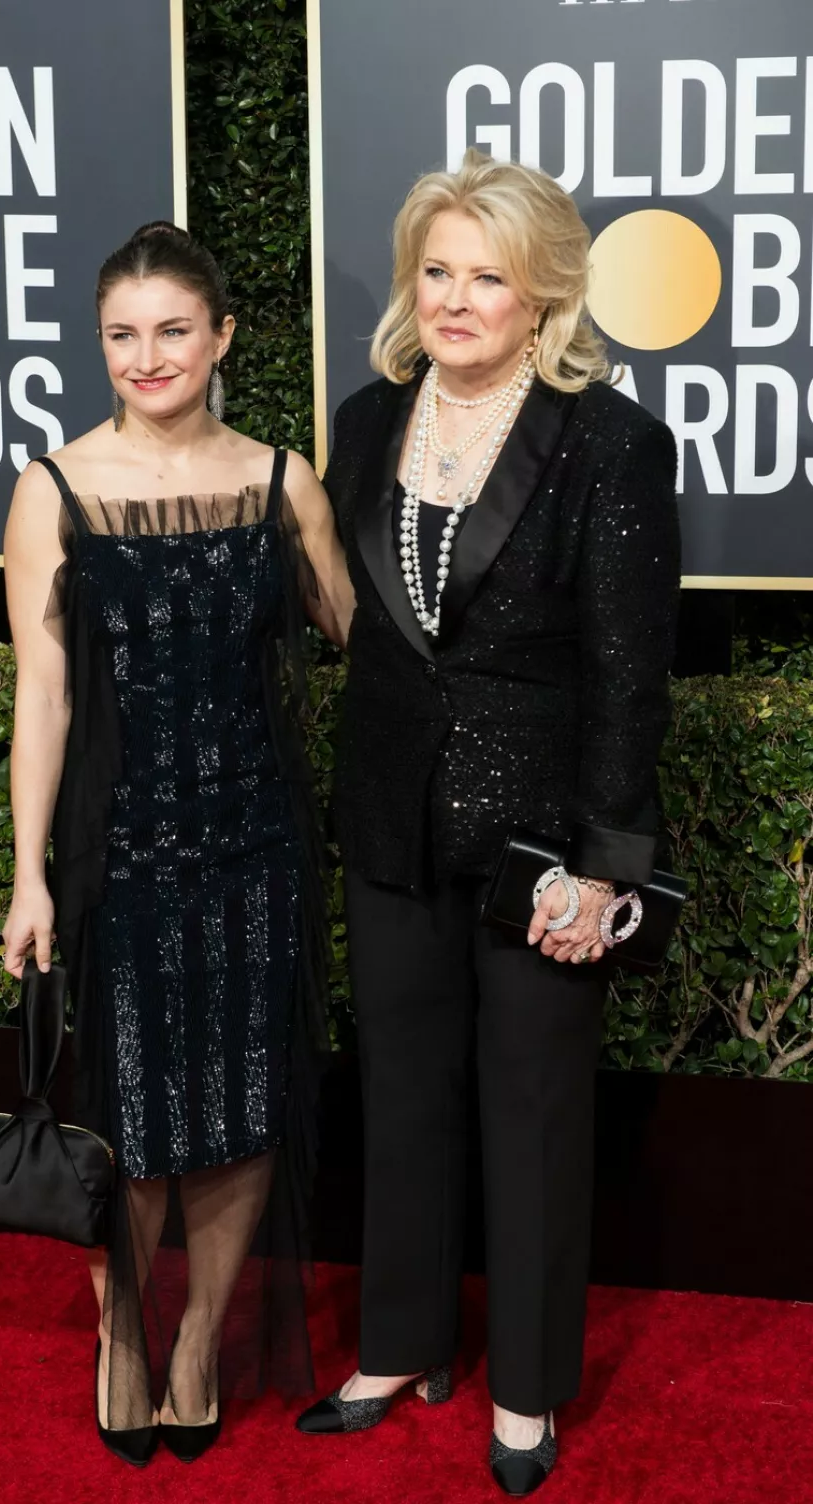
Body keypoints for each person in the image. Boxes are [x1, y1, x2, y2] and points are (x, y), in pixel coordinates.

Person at [295, 150, 681, 1497]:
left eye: (488, 278)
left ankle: (525, 1385)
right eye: (436, 272)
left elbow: (629, 678)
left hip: (544, 849)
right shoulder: (366, 421)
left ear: (545, 296)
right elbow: (366, 627)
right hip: (390, 821)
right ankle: (401, 1345)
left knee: (532, 1112)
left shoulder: (610, 444)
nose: (454, 301)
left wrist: (605, 866)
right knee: (400, 1093)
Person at [1, 221, 352, 1468]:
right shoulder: (52, 489)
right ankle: (124, 1332)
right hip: (122, 853)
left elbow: (358, 631)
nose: (146, 357)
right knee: (135, 1109)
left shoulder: (280, 482)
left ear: (221, 338)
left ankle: (199, 1336)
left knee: (244, 1103)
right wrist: (29, 873)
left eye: (172, 331)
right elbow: (43, 695)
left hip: (255, 845)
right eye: (121, 334)